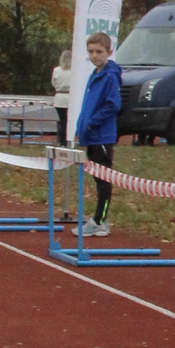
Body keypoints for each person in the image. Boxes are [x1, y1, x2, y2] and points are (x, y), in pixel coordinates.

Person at [74, 32, 121, 235]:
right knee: (96, 178)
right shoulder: (95, 74)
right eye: (91, 52)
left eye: (99, 52)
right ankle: (99, 218)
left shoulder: (110, 76)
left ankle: (100, 220)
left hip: (101, 136)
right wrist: (81, 127)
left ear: (109, 52)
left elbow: (113, 104)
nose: (94, 56)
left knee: (103, 179)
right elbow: (88, 105)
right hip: (91, 136)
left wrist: (93, 123)